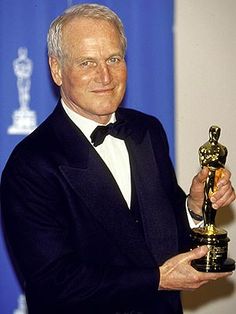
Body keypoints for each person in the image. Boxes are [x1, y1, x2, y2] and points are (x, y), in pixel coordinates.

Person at [1, 4, 235, 314]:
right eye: (87, 62)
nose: (105, 76)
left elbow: (162, 236)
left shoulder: (147, 130)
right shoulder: (30, 164)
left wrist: (193, 206)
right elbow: (53, 283)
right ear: (57, 70)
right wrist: (157, 279)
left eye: (114, 59)